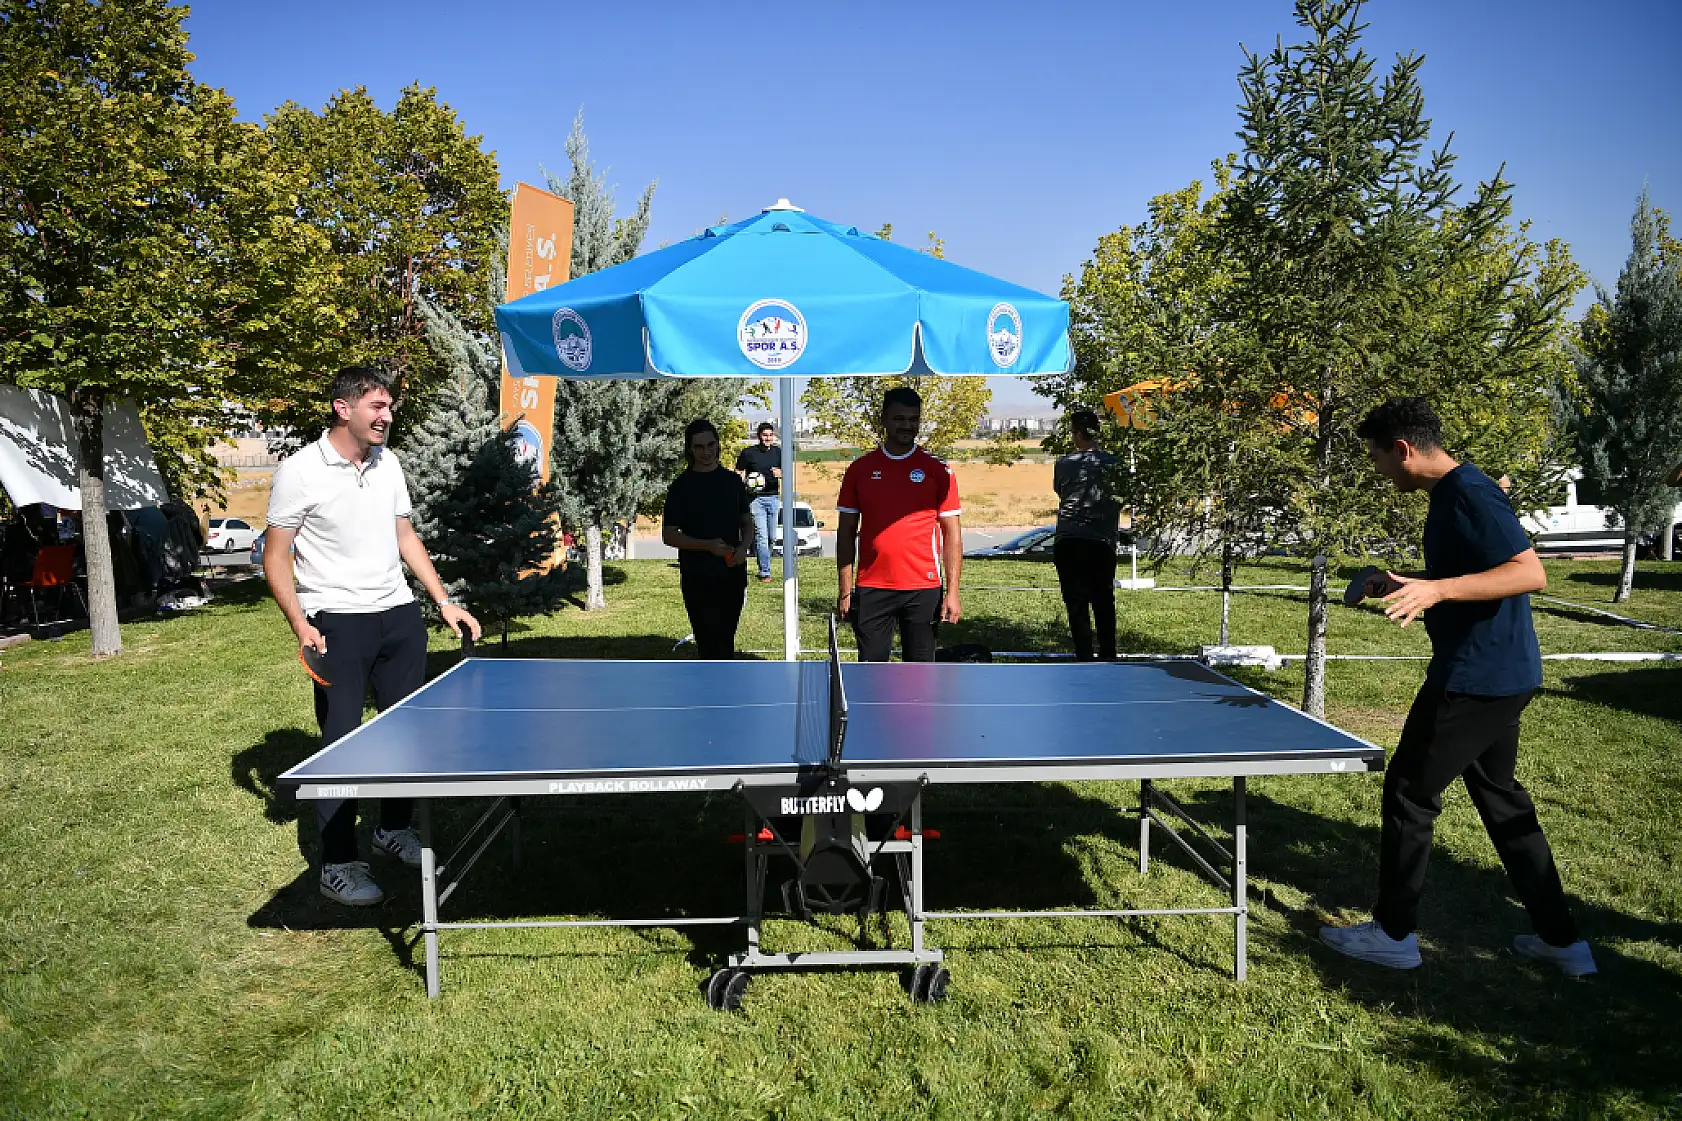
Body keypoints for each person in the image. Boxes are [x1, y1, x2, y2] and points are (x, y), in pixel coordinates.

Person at [1320, 397, 1594, 976]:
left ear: (1403, 449)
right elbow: (1478, 570)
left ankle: (1392, 935)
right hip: (1502, 675)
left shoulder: (1468, 493)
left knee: (1408, 792)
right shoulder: (1455, 493)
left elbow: (1529, 572)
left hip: (1474, 676)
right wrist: (1409, 582)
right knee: (1500, 799)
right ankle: (1563, 943)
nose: (1377, 470)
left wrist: (1437, 592)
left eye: (1376, 457)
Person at [264, 366, 482, 907]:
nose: (387, 417)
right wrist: (301, 623)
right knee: (341, 744)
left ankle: (392, 831)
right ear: (344, 409)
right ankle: (337, 863)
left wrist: (442, 599)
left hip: (399, 616)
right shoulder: (300, 471)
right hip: (338, 622)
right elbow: (275, 554)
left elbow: (403, 535)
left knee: (408, 733)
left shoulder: (389, 465)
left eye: (389, 408)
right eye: (376, 408)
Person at [836, 387, 963, 662]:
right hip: (872, 587)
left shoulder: (938, 470)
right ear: (883, 419)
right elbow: (845, 534)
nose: (907, 426)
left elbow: (952, 534)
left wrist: (952, 592)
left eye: (913, 419)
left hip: (923, 589)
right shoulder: (859, 469)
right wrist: (845, 591)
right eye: (899, 419)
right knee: (870, 675)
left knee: (919, 678)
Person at [663, 418, 755, 659]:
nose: (706, 452)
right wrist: (707, 546)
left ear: (718, 445)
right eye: (699, 447)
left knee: (725, 641)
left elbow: (747, 522)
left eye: (711, 445)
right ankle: (708, 693)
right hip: (697, 576)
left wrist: (743, 548)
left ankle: (727, 693)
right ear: (690, 450)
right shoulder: (681, 487)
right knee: (707, 643)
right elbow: (669, 534)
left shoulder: (733, 482)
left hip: (731, 572)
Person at [1053, 408, 1121, 660]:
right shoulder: (1116, 464)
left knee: (1076, 602)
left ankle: (1083, 654)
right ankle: (1108, 654)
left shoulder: (1064, 464)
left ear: (1078, 433)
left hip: (1069, 539)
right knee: (1103, 599)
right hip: (1102, 541)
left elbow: (1062, 492)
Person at [734, 421, 784, 583]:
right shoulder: (749, 453)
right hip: (755, 499)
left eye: (770, 435)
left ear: (773, 436)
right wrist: (742, 485)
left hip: (774, 497)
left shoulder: (778, 453)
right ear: (759, 436)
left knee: (772, 537)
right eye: (764, 435)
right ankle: (765, 571)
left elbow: (787, 473)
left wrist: (780, 473)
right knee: (762, 536)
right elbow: (739, 471)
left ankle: (761, 556)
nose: (767, 438)